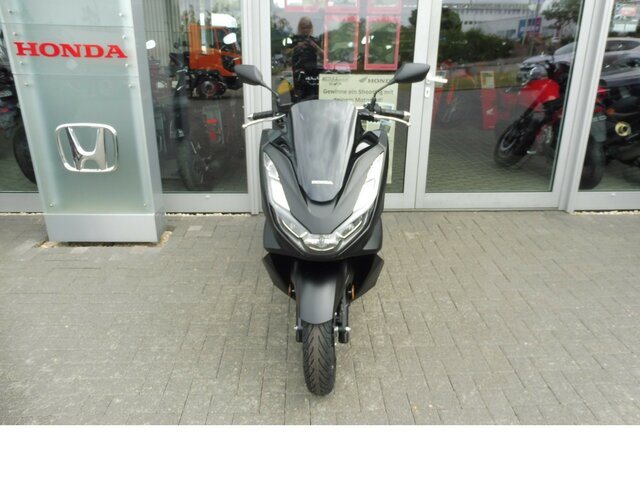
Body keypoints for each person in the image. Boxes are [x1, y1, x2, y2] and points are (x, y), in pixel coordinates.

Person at [285, 17, 323, 102]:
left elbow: (324, 56)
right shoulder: (293, 39)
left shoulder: (315, 40)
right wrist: (297, 47)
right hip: (297, 73)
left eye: (307, 27)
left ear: (311, 28)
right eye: (303, 28)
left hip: (312, 75)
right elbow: (286, 54)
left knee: (312, 98)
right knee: (297, 98)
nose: (305, 30)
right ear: (299, 28)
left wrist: (315, 46)